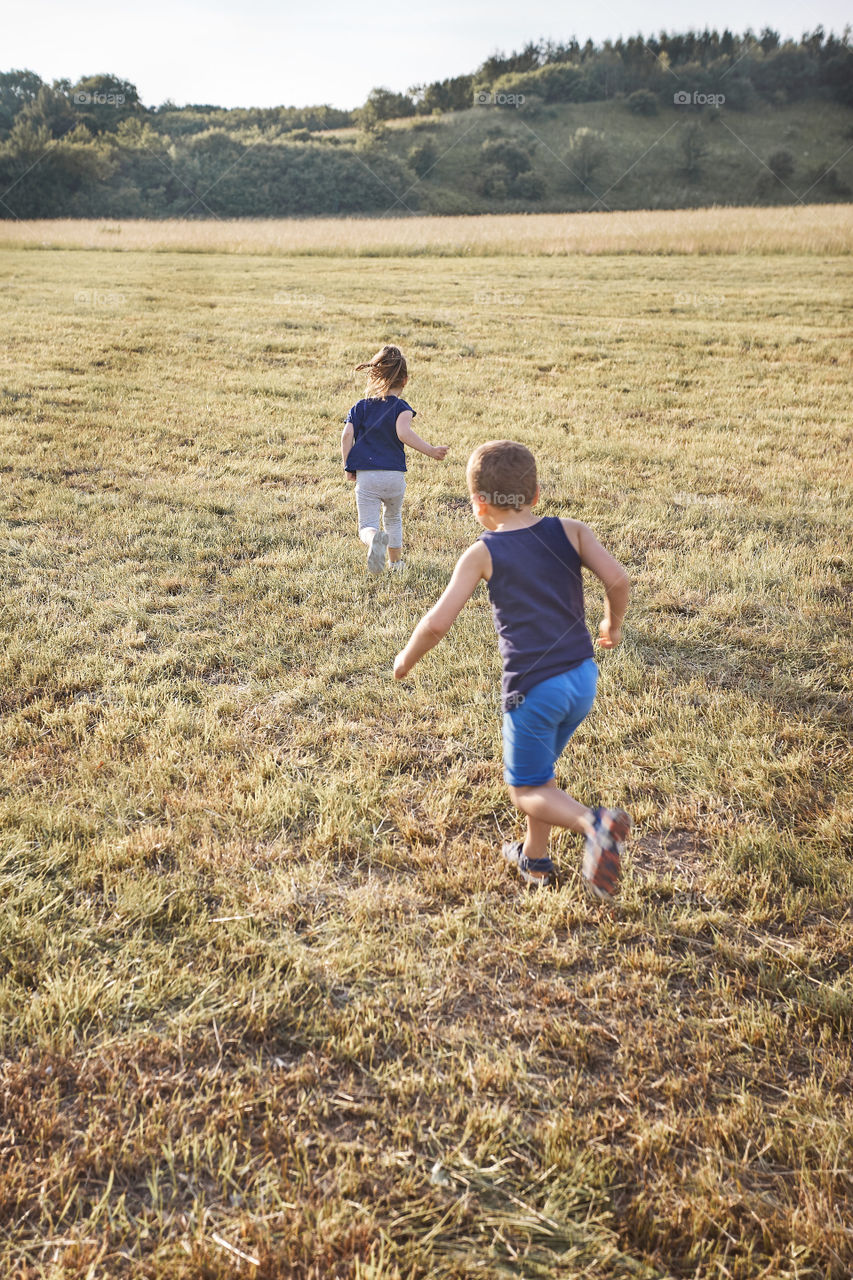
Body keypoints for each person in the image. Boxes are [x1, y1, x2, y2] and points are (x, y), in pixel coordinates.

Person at [393, 439, 632, 898]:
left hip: (533, 688)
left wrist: (406, 659)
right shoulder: (572, 530)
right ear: (536, 494)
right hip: (582, 678)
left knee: (524, 789)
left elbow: (438, 622)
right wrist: (611, 623)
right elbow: (618, 579)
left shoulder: (482, 553)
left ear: (478, 504)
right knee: (540, 775)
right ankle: (535, 860)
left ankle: (596, 825)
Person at [341, 345, 448, 574]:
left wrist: (348, 465)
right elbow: (403, 433)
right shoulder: (402, 408)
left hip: (367, 476)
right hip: (394, 476)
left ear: (376, 374)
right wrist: (431, 450)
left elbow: (346, 435)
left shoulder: (360, 406)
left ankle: (374, 541)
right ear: (405, 380)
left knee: (367, 526)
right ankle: (396, 564)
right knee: (393, 518)